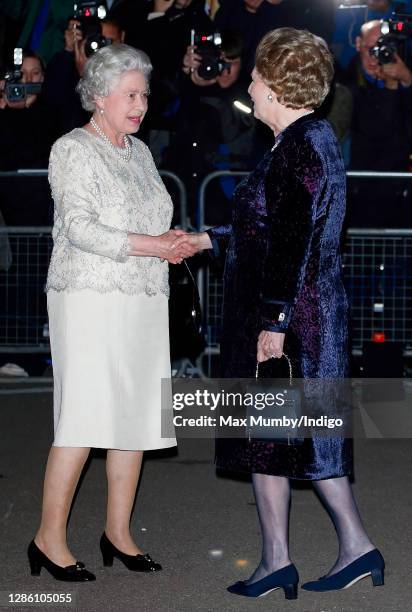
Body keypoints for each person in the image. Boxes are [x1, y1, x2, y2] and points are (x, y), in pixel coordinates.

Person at [180, 28, 385, 599]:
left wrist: (273, 326)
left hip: (292, 322)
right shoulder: (300, 141)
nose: (247, 83)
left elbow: (292, 244)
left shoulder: (300, 146)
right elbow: (264, 232)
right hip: (294, 316)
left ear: (275, 85)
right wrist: (205, 240)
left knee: (292, 436)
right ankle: (314, 554)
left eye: (255, 77)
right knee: (277, 438)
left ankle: (325, 552)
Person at [27, 43, 194, 582]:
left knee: (136, 419)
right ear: (98, 96)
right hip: (90, 297)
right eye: (130, 94)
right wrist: (153, 245)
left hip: (142, 297)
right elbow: (78, 228)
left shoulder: (140, 152)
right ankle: (48, 538)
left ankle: (117, 532)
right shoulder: (72, 149)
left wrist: (174, 242)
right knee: (83, 416)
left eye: (144, 94)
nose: (140, 103)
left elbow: (148, 222)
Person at [344, 19, 412, 225]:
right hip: (363, 187)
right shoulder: (347, 81)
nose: (376, 57)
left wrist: (408, 80)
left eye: (381, 48)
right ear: (357, 44)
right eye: (369, 49)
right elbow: (375, 129)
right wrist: (391, 88)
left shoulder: (403, 72)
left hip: (401, 186)